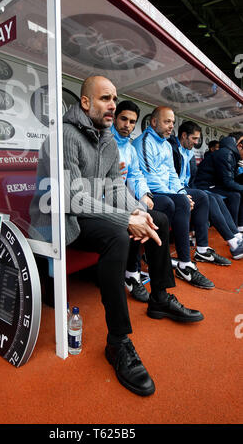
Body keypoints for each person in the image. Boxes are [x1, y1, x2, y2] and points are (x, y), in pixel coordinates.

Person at [30, 77, 204, 397]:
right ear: (85, 103)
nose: (112, 105)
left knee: (160, 219)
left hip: (87, 212)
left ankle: (160, 297)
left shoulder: (108, 138)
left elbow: (114, 187)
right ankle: (118, 342)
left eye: (114, 99)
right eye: (105, 99)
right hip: (58, 219)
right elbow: (71, 199)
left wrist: (139, 211)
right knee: (118, 236)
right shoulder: (65, 135)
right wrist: (126, 219)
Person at [132, 106, 231, 290]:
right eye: (166, 121)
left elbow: (172, 175)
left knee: (200, 196)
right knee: (179, 201)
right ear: (154, 122)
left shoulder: (167, 145)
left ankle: (201, 249)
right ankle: (185, 264)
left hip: (168, 190)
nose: (171, 126)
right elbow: (150, 179)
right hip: (152, 192)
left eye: (172, 122)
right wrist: (180, 196)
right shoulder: (144, 141)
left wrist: (182, 193)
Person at [111, 100, 184, 299]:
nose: (128, 125)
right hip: (104, 202)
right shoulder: (105, 141)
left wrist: (144, 194)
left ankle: (161, 293)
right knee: (139, 216)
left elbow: (136, 176)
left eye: (132, 122)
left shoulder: (129, 147)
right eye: (123, 119)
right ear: (115, 118)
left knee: (153, 216)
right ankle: (131, 273)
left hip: (122, 198)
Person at [169, 121, 243, 260]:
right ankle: (232, 243)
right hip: (174, 189)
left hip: (189, 187)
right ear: (184, 135)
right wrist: (183, 192)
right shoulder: (172, 149)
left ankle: (235, 236)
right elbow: (170, 177)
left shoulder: (188, 152)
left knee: (213, 197)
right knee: (206, 196)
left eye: (198, 139)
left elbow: (190, 178)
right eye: (194, 138)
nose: (196, 142)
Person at [195, 131, 243, 232]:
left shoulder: (231, 153)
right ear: (239, 145)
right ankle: (233, 230)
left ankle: (238, 226)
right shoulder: (226, 153)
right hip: (205, 186)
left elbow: (230, 178)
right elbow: (227, 181)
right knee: (235, 195)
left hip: (215, 185)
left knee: (237, 193)